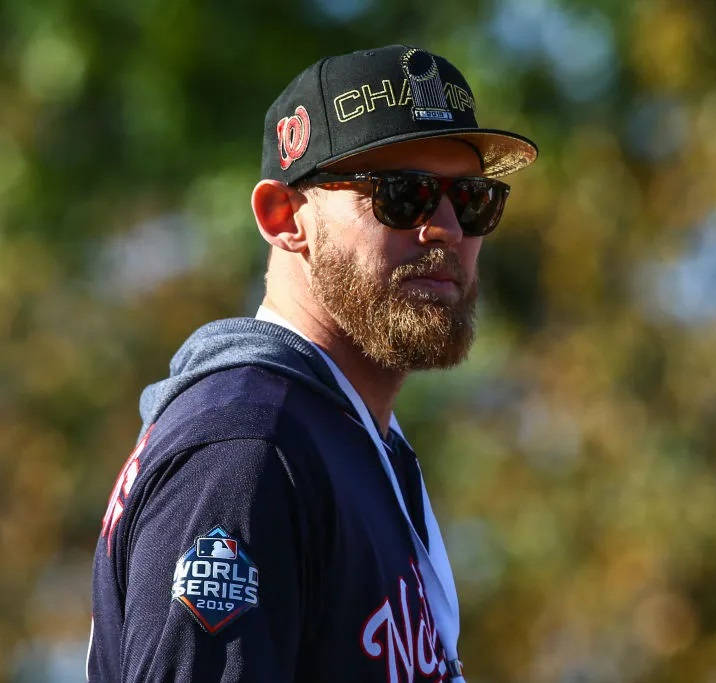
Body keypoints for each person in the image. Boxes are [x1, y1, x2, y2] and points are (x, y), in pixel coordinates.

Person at [88, 44, 537, 682]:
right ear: (284, 217)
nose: (446, 229)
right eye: (402, 195)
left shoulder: (346, 443)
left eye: (471, 200)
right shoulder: (248, 446)